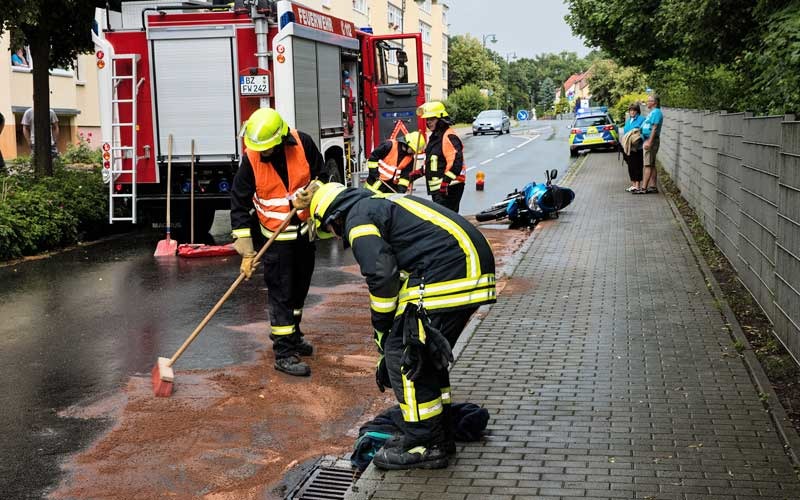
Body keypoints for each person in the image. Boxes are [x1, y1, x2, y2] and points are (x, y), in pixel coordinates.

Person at [303, 181, 496, 470]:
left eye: (329, 230)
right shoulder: (374, 204)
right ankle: (438, 430)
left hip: (451, 272)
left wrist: (383, 332)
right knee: (425, 357)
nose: (333, 235)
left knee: (405, 354)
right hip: (462, 266)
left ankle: (425, 445)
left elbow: (383, 277)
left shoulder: (357, 220)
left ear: (332, 218)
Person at [230, 108, 326, 377]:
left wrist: (312, 192)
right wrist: (247, 251)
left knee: (299, 291)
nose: (263, 153)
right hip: (275, 241)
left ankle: (293, 336)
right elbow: (239, 202)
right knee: (281, 295)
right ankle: (283, 352)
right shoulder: (251, 159)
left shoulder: (303, 143)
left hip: (304, 234)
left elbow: (324, 177)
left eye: (268, 148)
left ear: (282, 139)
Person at [412, 101, 467, 212]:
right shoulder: (435, 137)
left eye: (432, 119)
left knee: (448, 220)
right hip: (438, 189)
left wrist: (446, 182)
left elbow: (456, 162)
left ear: (441, 119)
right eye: (427, 120)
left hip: (450, 187)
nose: (428, 122)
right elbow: (434, 162)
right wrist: (419, 172)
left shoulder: (449, 136)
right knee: (443, 220)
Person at [636, 94, 663, 194]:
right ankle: (653, 186)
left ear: (654, 103)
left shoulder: (656, 112)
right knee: (651, 164)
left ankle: (643, 188)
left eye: (649, 101)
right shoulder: (652, 112)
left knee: (647, 165)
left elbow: (655, 128)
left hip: (651, 140)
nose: (647, 102)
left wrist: (649, 142)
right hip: (648, 139)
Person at [621, 102, 645, 193]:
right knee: (631, 166)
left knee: (637, 166)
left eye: (634, 110)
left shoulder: (642, 119)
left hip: (637, 147)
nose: (632, 112)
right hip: (628, 147)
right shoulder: (628, 121)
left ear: (637, 111)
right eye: (631, 110)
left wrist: (639, 138)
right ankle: (633, 184)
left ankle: (638, 185)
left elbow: (644, 131)